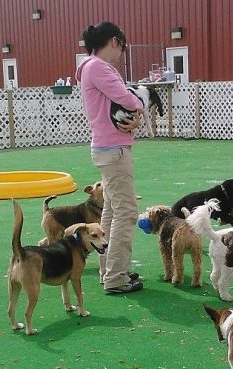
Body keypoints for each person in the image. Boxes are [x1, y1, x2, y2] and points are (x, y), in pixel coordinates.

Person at [75, 22, 144, 294]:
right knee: (127, 213)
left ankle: (110, 270)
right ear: (114, 41)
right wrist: (139, 108)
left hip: (107, 148)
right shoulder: (99, 67)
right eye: (122, 47)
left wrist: (135, 117)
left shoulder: (90, 67)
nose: (121, 53)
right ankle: (116, 276)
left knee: (113, 212)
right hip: (114, 150)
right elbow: (128, 99)